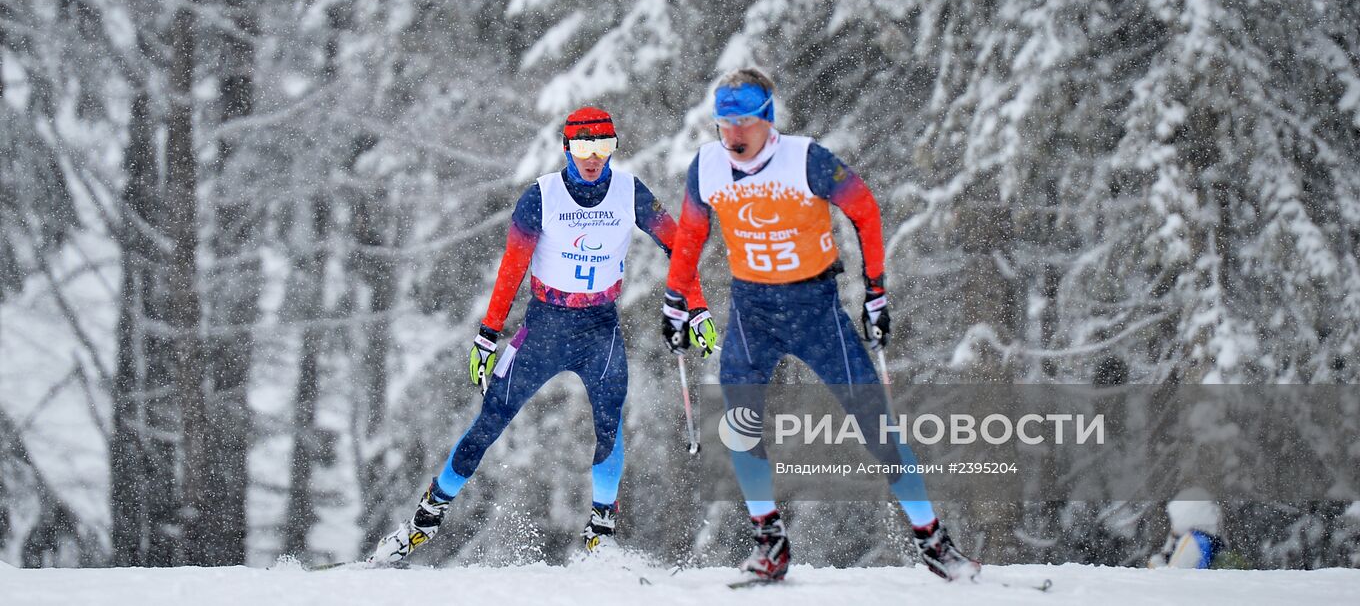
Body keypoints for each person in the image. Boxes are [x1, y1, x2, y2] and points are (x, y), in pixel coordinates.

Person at [661, 68, 980, 582]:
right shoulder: (707, 168)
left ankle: (934, 542)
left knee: (875, 420)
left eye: (742, 121)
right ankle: (770, 544)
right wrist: (676, 300)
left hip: (814, 306)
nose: (733, 134)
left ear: (767, 118)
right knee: (738, 424)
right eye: (723, 123)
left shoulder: (806, 160)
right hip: (752, 311)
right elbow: (692, 234)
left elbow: (866, 210)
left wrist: (875, 290)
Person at [371, 106, 705, 565]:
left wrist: (698, 307)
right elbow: (511, 271)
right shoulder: (541, 198)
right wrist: (488, 336)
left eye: (603, 147)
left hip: (600, 328)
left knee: (610, 422)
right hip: (545, 328)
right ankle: (424, 522)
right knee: (490, 421)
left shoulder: (630, 192)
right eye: (584, 147)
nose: (593, 158)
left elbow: (678, 244)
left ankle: (600, 536)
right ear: (567, 148)